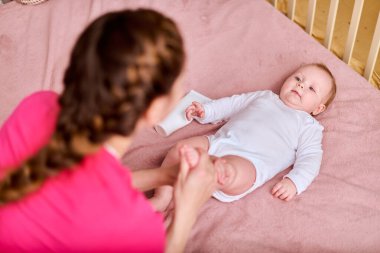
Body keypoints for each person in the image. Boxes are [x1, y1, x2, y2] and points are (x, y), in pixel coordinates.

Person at [0, 9, 219, 253]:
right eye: (181, 84)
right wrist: (186, 213)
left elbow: (78, 187)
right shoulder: (134, 225)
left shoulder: (38, 105)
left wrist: (164, 176)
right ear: (153, 109)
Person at [150, 63, 337, 212]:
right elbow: (232, 104)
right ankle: (162, 197)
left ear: (318, 109)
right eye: (298, 78)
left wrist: (295, 182)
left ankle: (188, 196)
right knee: (181, 149)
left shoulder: (309, 126)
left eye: (312, 88)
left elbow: (311, 158)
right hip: (219, 143)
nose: (301, 85)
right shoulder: (264, 97)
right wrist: (206, 110)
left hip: (250, 164)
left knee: (227, 172)